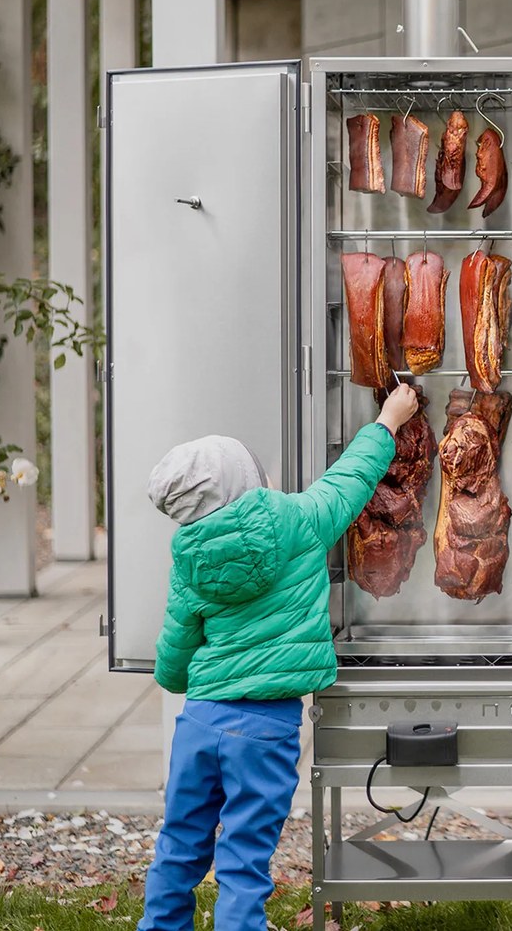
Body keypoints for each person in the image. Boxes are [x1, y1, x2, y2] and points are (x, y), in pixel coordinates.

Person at [137, 383, 419, 931]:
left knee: (179, 844)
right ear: (248, 484)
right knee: (244, 858)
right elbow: (349, 480)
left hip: (200, 721)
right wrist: (387, 420)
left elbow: (172, 663)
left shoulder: (190, 562)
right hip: (265, 728)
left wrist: (191, 674)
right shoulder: (298, 521)